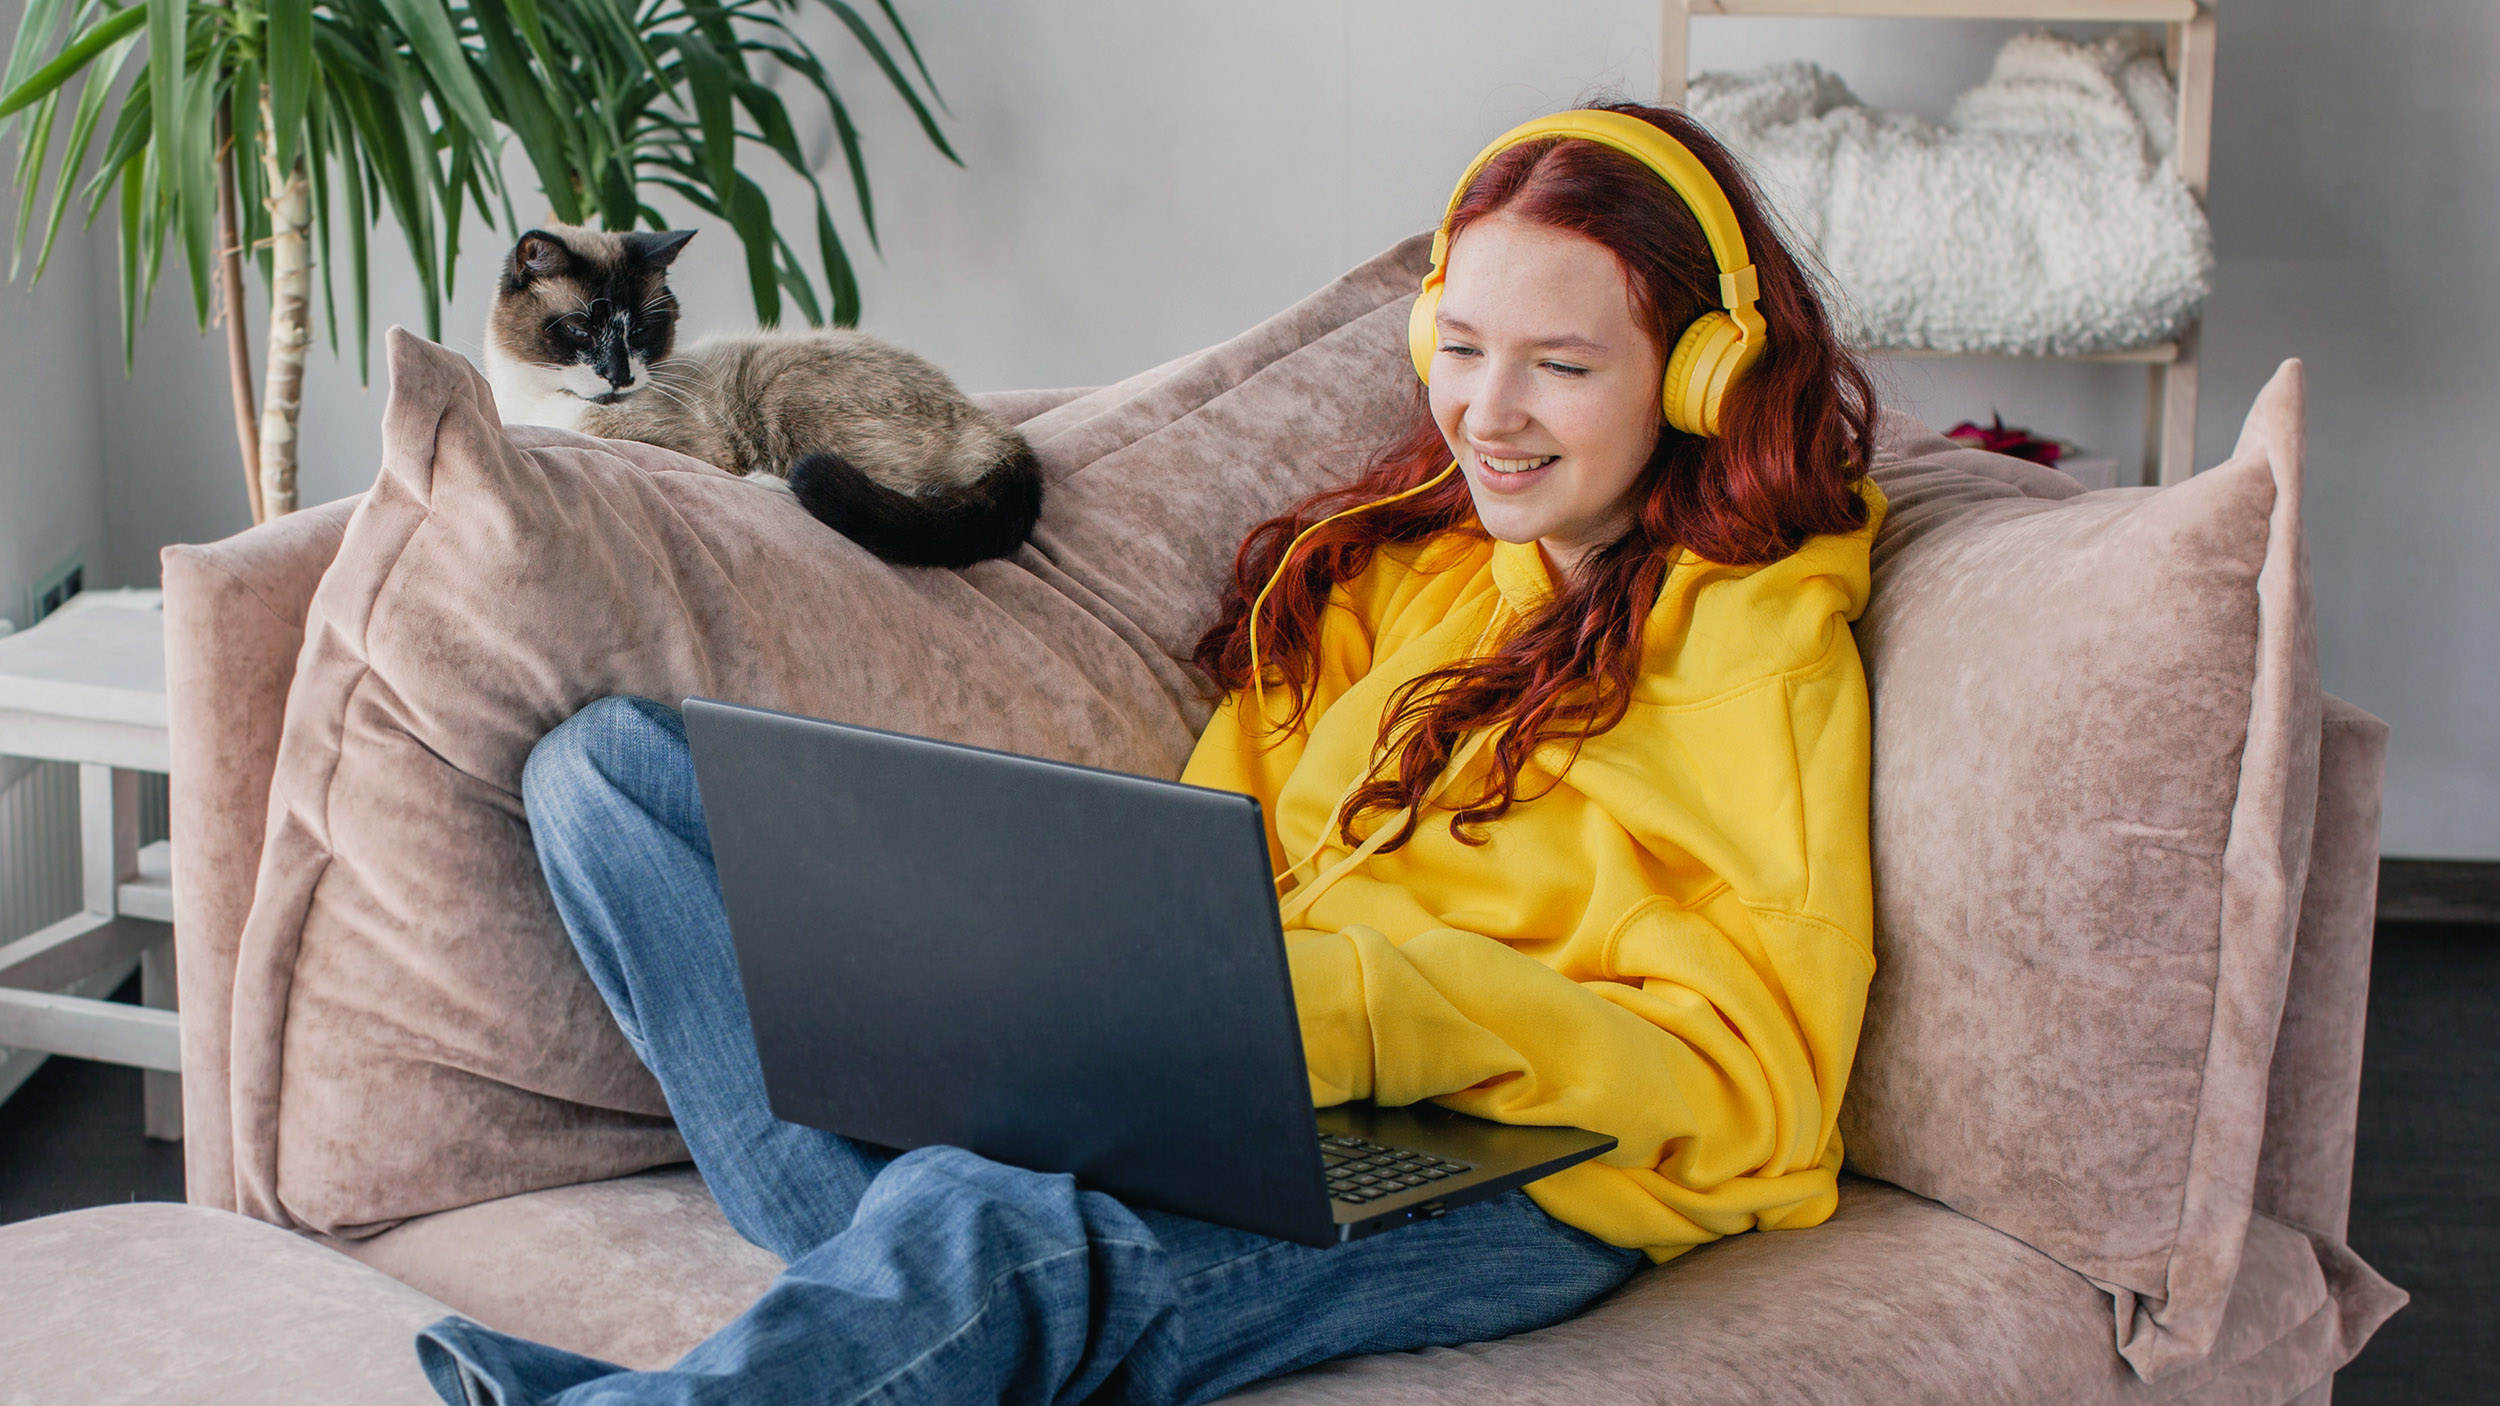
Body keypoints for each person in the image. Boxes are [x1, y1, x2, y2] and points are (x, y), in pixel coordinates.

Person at [417, 101, 1885, 1405]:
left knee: (998, 1225)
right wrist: (1098, 987)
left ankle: (891, 1289)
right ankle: (920, 1273)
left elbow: (1753, 1084)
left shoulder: (1759, 641)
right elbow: (1207, 884)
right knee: (602, 777)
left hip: (1541, 1174)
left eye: (1559, 366)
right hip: (1241, 1083)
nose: (1487, 416)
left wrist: (1364, 1010)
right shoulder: (1393, 571)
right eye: (1462, 350)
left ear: (1700, 375)